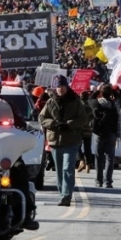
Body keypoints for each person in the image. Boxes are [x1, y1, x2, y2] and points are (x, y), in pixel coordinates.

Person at [0, 70, 39, 230]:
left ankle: (24, 214)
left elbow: (21, 124)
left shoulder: (7, 106)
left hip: (4, 154)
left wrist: (24, 129)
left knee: (19, 171)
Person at [39, 75, 88, 206]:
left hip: (71, 140)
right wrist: (54, 124)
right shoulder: (51, 102)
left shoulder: (76, 101)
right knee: (59, 170)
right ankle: (62, 194)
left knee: (68, 168)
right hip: (55, 141)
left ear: (67, 86)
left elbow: (83, 119)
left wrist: (69, 124)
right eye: (58, 86)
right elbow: (42, 118)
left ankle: (67, 195)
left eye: (62, 86)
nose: (60, 89)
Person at [89, 83, 119, 188]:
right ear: (110, 94)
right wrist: (112, 90)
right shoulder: (114, 105)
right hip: (111, 133)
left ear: (101, 93)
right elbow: (119, 98)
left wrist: (97, 90)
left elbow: (90, 98)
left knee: (99, 158)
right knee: (110, 158)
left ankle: (98, 181)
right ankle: (108, 182)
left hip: (99, 133)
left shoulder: (96, 103)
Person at [76, 90, 95, 173]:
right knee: (88, 148)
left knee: (77, 147)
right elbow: (93, 117)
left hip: (79, 129)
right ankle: (88, 165)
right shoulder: (91, 106)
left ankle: (81, 160)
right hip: (88, 130)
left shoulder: (78, 106)